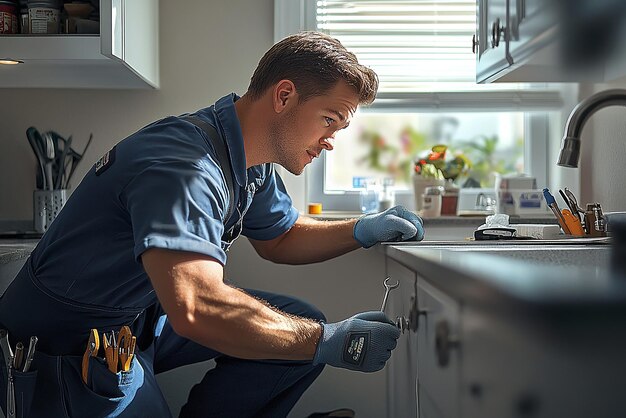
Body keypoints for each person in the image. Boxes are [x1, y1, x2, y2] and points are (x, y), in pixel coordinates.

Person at [0, 31, 424, 418]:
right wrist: (327, 341)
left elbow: (281, 236)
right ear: (284, 96)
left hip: (140, 318)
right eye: (329, 119)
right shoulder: (184, 166)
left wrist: (362, 229)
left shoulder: (246, 158)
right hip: (65, 344)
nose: (332, 140)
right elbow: (196, 308)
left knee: (299, 319)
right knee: (305, 335)